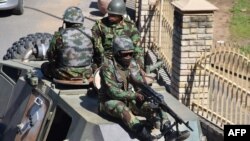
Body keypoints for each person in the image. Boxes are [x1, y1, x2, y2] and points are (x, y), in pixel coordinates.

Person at [98, 36, 190, 141]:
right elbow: (112, 92)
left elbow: (139, 83)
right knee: (121, 108)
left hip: (129, 99)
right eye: (124, 54)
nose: (128, 57)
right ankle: (148, 138)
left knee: (156, 105)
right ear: (117, 53)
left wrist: (147, 96)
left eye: (131, 54)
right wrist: (134, 95)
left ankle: (169, 132)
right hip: (108, 102)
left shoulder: (132, 64)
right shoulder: (107, 67)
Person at [41, 6, 93, 81]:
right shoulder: (91, 33)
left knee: (44, 66)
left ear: (65, 21)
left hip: (64, 74)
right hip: (86, 74)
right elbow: (98, 54)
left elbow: (50, 56)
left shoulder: (60, 35)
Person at [91, 0, 144, 70]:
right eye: (109, 13)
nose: (109, 16)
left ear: (120, 15)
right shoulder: (100, 25)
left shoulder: (130, 26)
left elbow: (137, 48)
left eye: (113, 15)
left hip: (124, 60)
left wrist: (140, 66)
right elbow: (96, 43)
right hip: (106, 59)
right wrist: (103, 56)